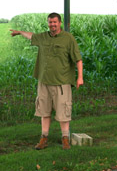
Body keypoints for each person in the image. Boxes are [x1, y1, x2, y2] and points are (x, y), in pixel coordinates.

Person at [10, 12, 83, 150]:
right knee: (44, 111)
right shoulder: (43, 37)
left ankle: (65, 139)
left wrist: (80, 78)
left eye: (55, 22)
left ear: (59, 23)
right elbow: (31, 35)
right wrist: (19, 32)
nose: (52, 25)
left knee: (63, 113)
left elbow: (78, 59)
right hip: (44, 82)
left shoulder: (68, 39)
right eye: (50, 22)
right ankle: (44, 138)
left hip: (62, 82)